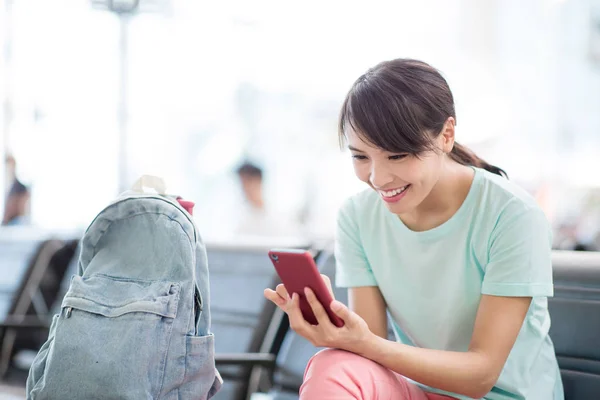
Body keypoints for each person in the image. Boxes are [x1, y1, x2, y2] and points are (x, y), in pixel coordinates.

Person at [264, 59, 563, 399]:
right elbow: (369, 348)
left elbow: (481, 375)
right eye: (361, 157)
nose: (377, 179)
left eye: (397, 156)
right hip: (420, 391)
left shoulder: (512, 215)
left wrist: (364, 342)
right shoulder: (357, 216)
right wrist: (341, 334)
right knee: (331, 365)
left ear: (446, 135)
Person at [234, 161, 303, 238]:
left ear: (258, 181)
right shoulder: (242, 220)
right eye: (242, 184)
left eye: (247, 182)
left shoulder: (281, 217)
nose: (244, 189)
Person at [3, 155, 31, 226]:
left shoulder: (21, 188)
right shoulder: (8, 187)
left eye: (11, 167)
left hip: (17, 223)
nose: (9, 170)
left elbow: (22, 211)